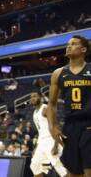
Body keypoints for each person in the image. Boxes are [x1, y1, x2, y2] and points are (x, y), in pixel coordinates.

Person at [47, 35, 91, 177]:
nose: (69, 46)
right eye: (68, 44)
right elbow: (52, 103)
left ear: (83, 49)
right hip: (70, 126)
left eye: (73, 44)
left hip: (89, 124)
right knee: (73, 172)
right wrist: (52, 127)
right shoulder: (58, 73)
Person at [30, 91, 67, 177]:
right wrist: (37, 147)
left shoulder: (45, 108)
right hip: (42, 142)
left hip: (51, 139)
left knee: (59, 167)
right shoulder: (35, 112)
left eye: (35, 96)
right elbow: (41, 131)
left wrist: (56, 144)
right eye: (31, 97)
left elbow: (56, 125)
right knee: (35, 165)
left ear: (40, 97)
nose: (32, 98)